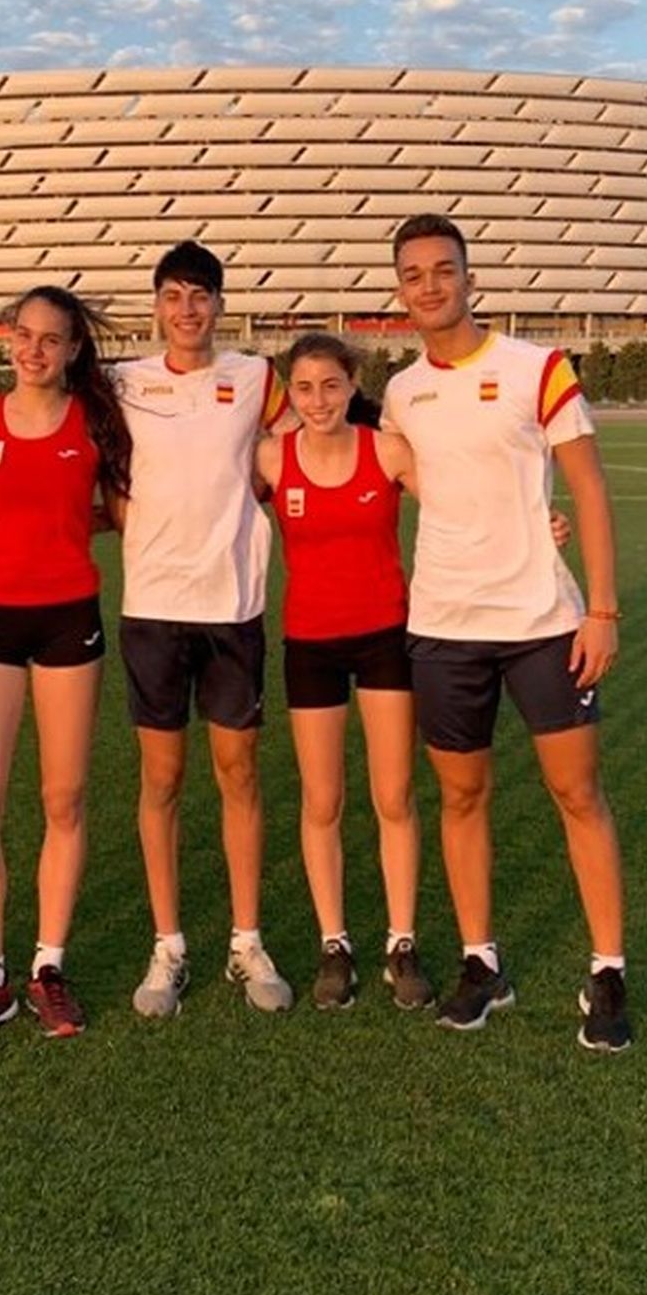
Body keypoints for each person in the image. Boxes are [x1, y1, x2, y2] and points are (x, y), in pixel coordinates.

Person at [381, 213, 632, 1052]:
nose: (429, 285)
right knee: (461, 796)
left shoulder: (538, 367)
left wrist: (603, 609)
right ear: (400, 291)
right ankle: (482, 962)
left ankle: (608, 969)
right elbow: (412, 480)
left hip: (542, 623)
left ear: (469, 277)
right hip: (443, 625)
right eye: (413, 274)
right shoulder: (401, 393)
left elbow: (588, 486)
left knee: (578, 793)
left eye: (443, 269)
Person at [0, 288, 133, 1050]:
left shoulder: (95, 423)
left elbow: (123, 512)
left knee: (64, 797)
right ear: (8, 339)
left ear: (74, 349)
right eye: (24, 335)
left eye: (51, 339)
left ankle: (48, 965)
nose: (34, 350)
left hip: (68, 619)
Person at [115, 240, 294, 1017]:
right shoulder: (125, 381)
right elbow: (87, 462)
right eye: (173, 295)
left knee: (238, 771)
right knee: (162, 777)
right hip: (153, 607)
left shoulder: (256, 377)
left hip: (232, 606)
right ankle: (169, 944)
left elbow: (309, 442)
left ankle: (246, 940)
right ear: (156, 306)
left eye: (200, 295)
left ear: (220, 304)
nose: (186, 309)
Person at [256, 334, 433, 1013]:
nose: (318, 400)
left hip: (385, 637)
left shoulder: (386, 451)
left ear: (352, 383)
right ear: (289, 393)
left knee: (394, 795)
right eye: (303, 388)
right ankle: (335, 943)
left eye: (330, 385)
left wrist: (541, 522)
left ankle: (401, 943)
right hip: (311, 645)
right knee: (322, 800)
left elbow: (462, 507)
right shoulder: (272, 457)